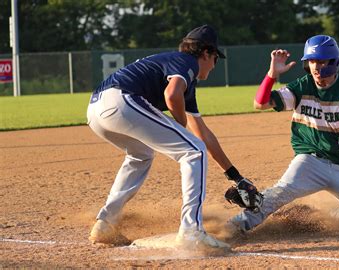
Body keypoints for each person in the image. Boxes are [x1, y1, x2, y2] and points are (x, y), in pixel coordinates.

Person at [86, 25, 257, 249]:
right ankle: (191, 232)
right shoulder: (185, 61)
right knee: (193, 151)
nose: (214, 65)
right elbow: (172, 95)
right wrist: (181, 125)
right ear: (206, 53)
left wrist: (236, 176)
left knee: (141, 155)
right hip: (121, 101)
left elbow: (203, 133)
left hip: (96, 110)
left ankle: (106, 223)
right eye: (216, 58)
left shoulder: (185, 78)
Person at [226, 35, 339, 234]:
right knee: (280, 193)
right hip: (309, 162)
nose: (316, 67)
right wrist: (272, 74)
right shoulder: (301, 86)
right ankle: (236, 225)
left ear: (334, 62)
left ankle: (328, 215)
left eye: (321, 61)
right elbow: (260, 103)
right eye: (311, 61)